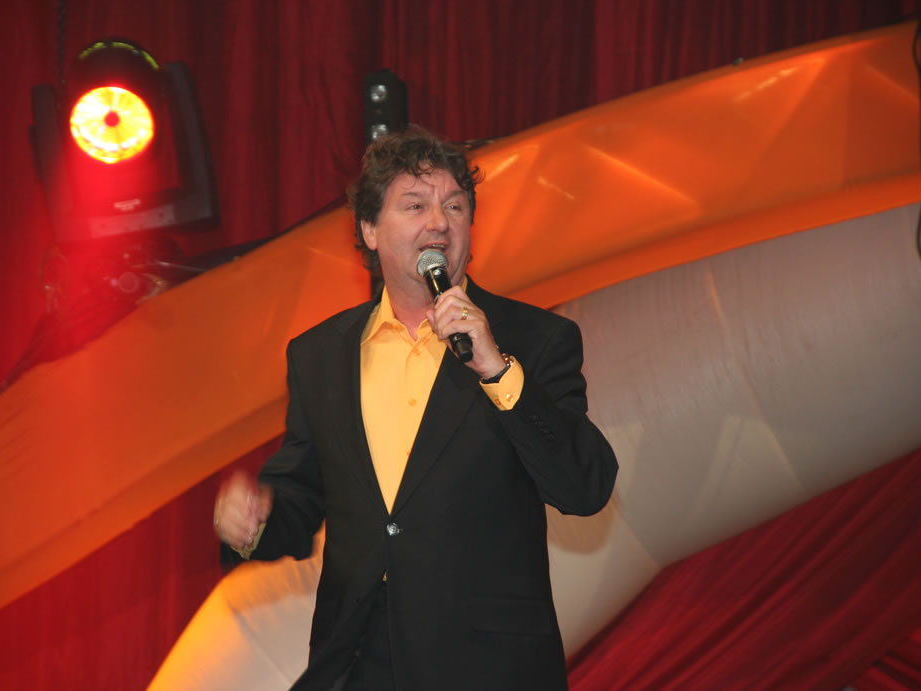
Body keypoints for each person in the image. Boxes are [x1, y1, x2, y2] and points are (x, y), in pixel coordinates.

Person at [214, 125, 618, 690]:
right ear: (369, 229)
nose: (439, 223)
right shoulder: (319, 354)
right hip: (358, 659)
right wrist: (255, 521)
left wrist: (497, 371)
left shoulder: (534, 340)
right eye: (414, 205)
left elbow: (585, 487)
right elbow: (302, 495)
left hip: (485, 668)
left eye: (454, 206)